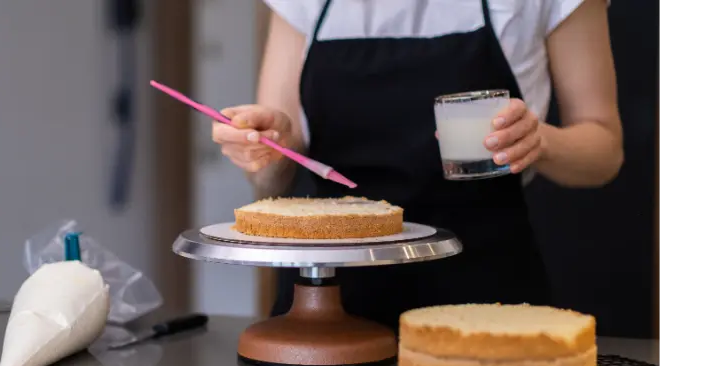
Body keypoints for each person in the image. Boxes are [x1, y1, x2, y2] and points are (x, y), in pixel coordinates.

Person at [211, 0, 623, 331]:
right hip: (328, 305)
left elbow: (604, 151)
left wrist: (541, 142)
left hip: (485, 293)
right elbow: (269, 180)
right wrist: (265, 150)